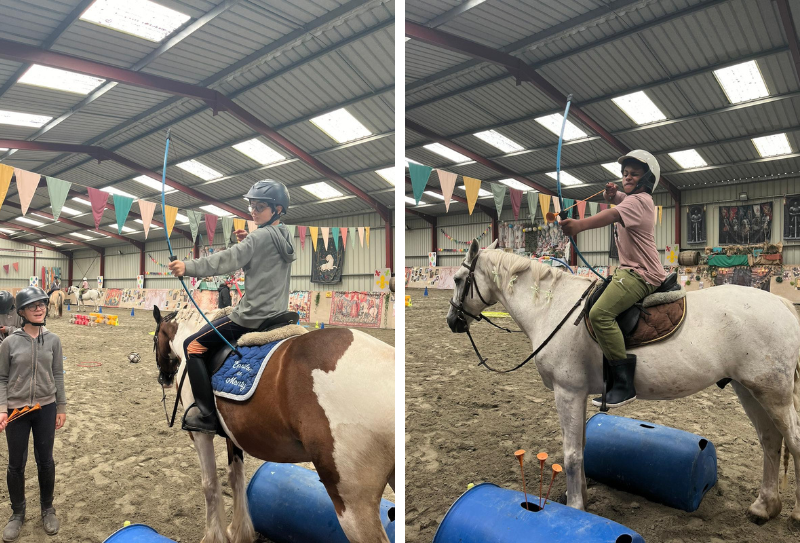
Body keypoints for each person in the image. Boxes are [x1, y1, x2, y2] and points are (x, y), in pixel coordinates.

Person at [167, 180, 296, 434]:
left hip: (252, 316)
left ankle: (206, 414)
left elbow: (225, 260)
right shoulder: (284, 235)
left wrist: (187, 267)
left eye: (260, 207)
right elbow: (265, 252)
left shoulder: (260, 236)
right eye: (251, 206)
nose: (253, 212)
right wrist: (250, 241)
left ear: (278, 210)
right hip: (279, 313)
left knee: (192, 346)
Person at [560, 150, 666, 409]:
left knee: (600, 314)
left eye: (634, 174)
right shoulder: (635, 200)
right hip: (629, 270)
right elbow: (621, 202)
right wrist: (613, 195)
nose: (627, 177)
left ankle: (624, 384)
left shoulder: (638, 201)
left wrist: (579, 225)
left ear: (647, 179)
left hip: (642, 273)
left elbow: (614, 214)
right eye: (625, 174)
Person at [0, 287, 66, 540]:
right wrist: (2, 408)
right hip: (17, 410)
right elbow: (2, 378)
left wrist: (61, 407)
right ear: (22, 312)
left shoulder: (54, 340)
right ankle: (17, 513)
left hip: (46, 408)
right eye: (32, 306)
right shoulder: (9, 343)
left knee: (46, 460)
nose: (39, 309)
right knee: (16, 463)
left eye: (42, 304)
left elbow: (58, 374)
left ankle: (47, 509)